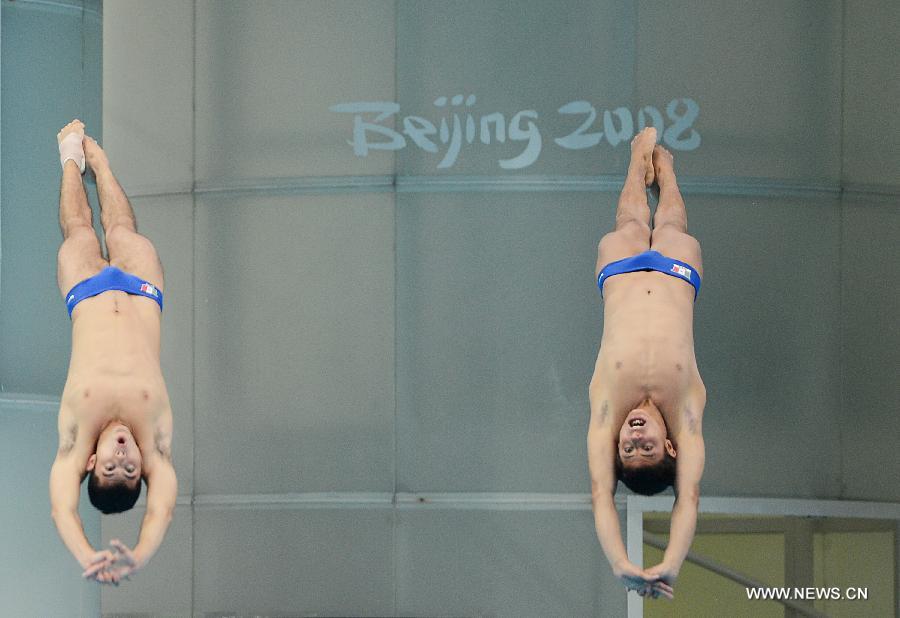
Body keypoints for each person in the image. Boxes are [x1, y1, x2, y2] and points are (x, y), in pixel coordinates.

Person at [49, 120, 177, 585]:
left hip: (85, 295)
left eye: (109, 466)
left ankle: (69, 155)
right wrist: (140, 555)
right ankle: (98, 161)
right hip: (144, 294)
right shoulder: (156, 441)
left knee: (80, 230)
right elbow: (161, 510)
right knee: (122, 228)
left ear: (90, 462)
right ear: (144, 469)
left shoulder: (74, 438)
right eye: (130, 468)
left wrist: (87, 554)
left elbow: (62, 507)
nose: (122, 455)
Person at [587, 127, 706, 600]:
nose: (634, 438)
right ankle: (669, 172)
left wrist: (620, 563)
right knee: (673, 227)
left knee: (631, 225)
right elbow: (689, 497)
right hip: (677, 273)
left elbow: (600, 496)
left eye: (628, 449)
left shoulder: (604, 415)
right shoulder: (688, 416)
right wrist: (671, 563)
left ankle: (639, 160)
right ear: (672, 448)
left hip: (621, 275)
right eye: (647, 447)